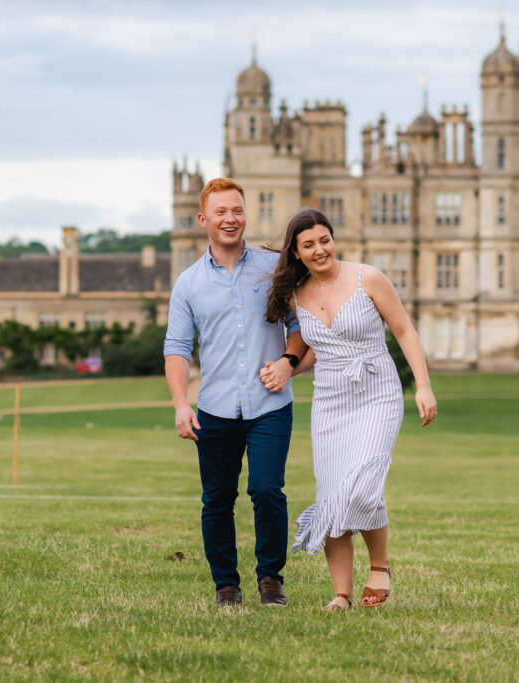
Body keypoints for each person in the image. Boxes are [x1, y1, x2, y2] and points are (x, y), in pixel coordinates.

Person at [261, 207, 437, 611]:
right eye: (309, 245)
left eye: (325, 240)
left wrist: (423, 386)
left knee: (363, 484)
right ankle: (341, 594)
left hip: (377, 391)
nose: (320, 249)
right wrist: (285, 369)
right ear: (297, 252)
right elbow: (315, 353)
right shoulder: (296, 294)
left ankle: (380, 565)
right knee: (333, 495)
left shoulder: (367, 277)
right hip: (330, 401)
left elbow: (405, 331)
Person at [164, 178, 307, 608]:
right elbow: (176, 347)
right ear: (203, 219)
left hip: (270, 407)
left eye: (237, 210)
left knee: (267, 491)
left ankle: (271, 580)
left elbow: (300, 331)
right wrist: (180, 403)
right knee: (217, 500)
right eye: (221, 212)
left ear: (246, 214)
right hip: (215, 409)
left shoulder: (273, 267)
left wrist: (288, 362)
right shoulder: (188, 284)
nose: (231, 219)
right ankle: (226, 584)